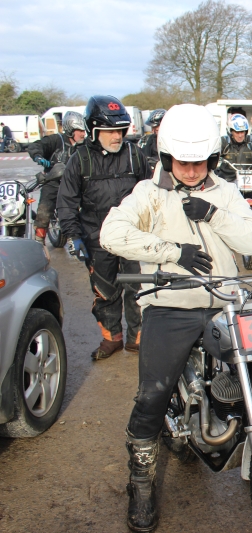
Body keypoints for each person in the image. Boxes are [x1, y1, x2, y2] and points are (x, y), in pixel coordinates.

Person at [99, 104, 252, 532]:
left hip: (225, 302)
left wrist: (213, 213)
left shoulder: (225, 190)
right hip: (170, 303)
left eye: (201, 162)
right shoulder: (148, 193)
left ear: (212, 158)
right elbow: (111, 233)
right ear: (166, 157)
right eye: (184, 162)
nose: (193, 171)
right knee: (153, 395)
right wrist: (172, 251)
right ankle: (141, 482)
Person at [56, 95, 150, 360]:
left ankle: (138, 338)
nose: (117, 136)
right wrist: (73, 236)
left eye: (120, 130)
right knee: (105, 290)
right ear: (94, 131)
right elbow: (66, 202)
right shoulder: (80, 159)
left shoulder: (135, 155)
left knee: (139, 288)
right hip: (96, 236)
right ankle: (112, 338)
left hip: (133, 235)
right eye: (110, 131)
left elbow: (152, 193)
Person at [216, 113, 252, 256]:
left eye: (242, 131)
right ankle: (220, 240)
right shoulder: (223, 142)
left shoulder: (250, 141)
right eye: (237, 132)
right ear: (231, 131)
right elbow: (213, 151)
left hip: (247, 179)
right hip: (228, 180)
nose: (240, 135)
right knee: (221, 208)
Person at [27, 111, 86, 243]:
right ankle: (39, 240)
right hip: (53, 182)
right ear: (70, 130)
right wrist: (38, 157)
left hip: (76, 183)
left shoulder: (85, 145)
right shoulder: (55, 140)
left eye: (84, 130)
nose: (83, 134)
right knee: (44, 210)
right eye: (80, 130)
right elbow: (35, 146)